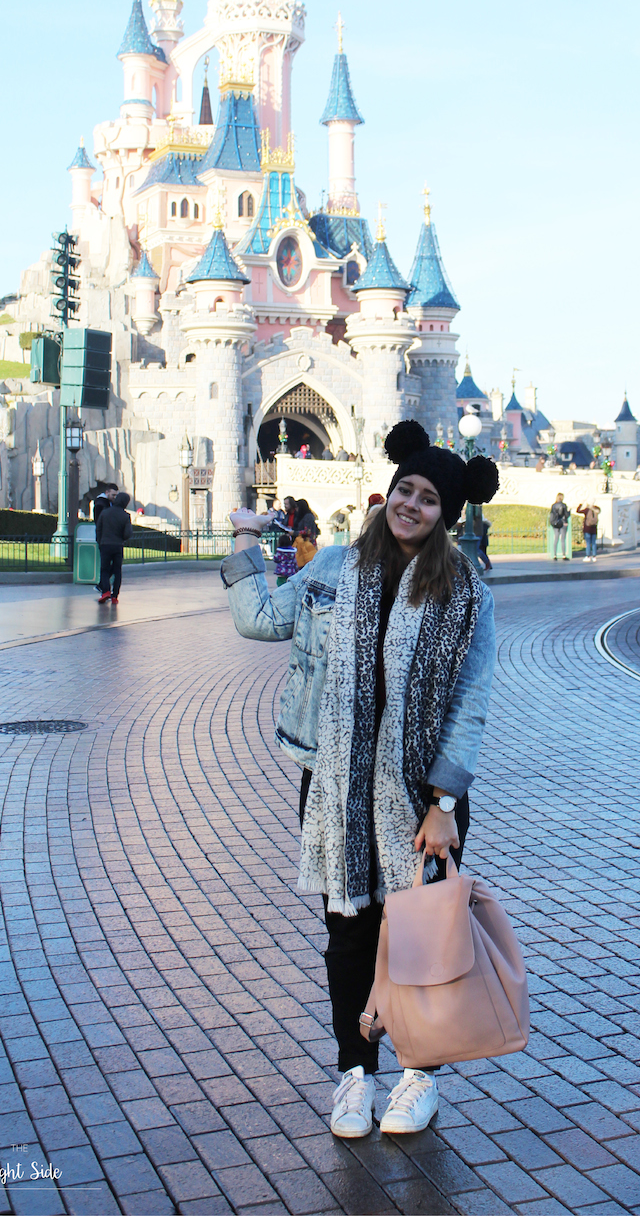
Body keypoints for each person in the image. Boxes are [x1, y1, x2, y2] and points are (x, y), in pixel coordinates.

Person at [222, 421, 499, 1140]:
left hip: (423, 797)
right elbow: (260, 621)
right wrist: (245, 540)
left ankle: (420, 1076)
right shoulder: (334, 567)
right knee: (349, 935)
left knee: (422, 939)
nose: (411, 505)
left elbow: (470, 702)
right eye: (405, 489)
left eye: (429, 498)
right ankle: (355, 1073)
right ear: (390, 489)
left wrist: (444, 803)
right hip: (337, 785)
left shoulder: (466, 593)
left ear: (447, 514)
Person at [97, 492, 132, 603]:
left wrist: (99, 542)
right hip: (118, 545)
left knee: (104, 569)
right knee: (117, 571)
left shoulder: (105, 512)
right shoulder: (125, 516)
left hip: (105, 544)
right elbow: (127, 534)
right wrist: (121, 538)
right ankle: (115, 596)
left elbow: (98, 529)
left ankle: (105, 591)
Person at [549, 493, 570, 560]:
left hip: (555, 523)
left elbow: (552, 514)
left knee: (556, 539)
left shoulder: (553, 505)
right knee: (563, 539)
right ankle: (563, 555)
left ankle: (555, 555)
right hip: (563, 523)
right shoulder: (564, 505)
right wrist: (569, 511)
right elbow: (566, 515)